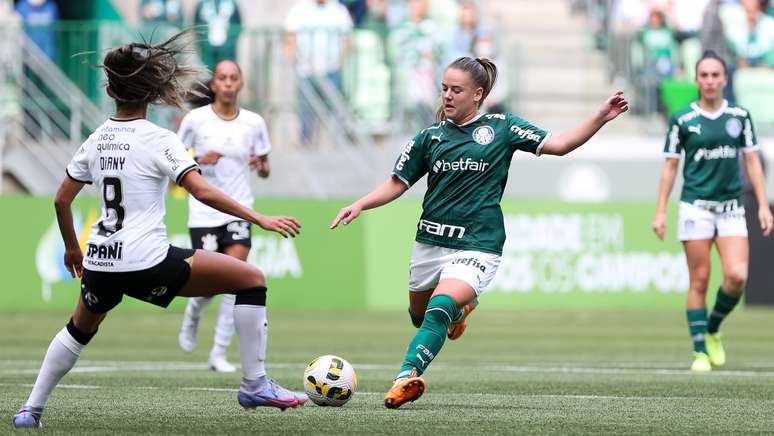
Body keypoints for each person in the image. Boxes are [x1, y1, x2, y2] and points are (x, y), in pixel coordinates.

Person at [11, 31, 305, 430]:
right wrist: (260, 219)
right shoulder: (160, 138)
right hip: (146, 261)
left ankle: (31, 409)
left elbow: (62, 200)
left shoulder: (96, 138)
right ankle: (254, 383)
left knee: (79, 328)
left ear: (111, 90)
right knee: (251, 278)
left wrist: (72, 250)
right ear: (151, 94)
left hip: (100, 259)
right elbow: (200, 190)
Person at [331, 56, 629, 409]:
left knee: (438, 307)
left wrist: (600, 117)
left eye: (456, 90)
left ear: (478, 93)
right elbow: (397, 183)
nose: (447, 96)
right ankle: (460, 313)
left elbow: (560, 144)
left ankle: (405, 377)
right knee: (419, 317)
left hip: (479, 243)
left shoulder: (502, 128)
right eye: (444, 89)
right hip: (430, 242)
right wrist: (361, 204)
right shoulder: (429, 137)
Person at [652, 50, 773, 373]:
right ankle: (699, 351)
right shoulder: (682, 119)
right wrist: (661, 211)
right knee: (700, 280)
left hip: (731, 208)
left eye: (715, 75)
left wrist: (763, 204)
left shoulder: (739, 116)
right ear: (696, 80)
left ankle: (714, 327)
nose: (709, 81)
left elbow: (753, 162)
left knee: (736, 277)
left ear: (725, 79)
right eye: (703, 75)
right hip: (696, 207)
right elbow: (670, 168)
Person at [177, 60, 273, 373]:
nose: (228, 83)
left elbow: (266, 167)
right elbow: (174, 161)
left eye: (234, 78)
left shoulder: (254, 122)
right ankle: (193, 311)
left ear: (240, 83)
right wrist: (198, 160)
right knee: (206, 285)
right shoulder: (195, 119)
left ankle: (218, 354)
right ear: (215, 85)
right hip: (204, 211)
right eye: (223, 78)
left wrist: (262, 166)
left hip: (239, 207)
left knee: (237, 279)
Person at [284, 0, 353, 145]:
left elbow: (347, 39)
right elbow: (290, 37)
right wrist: (294, 61)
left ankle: (334, 147)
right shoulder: (300, 8)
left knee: (334, 111)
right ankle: (306, 145)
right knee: (305, 112)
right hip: (306, 71)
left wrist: (339, 63)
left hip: (331, 71)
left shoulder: (338, 10)